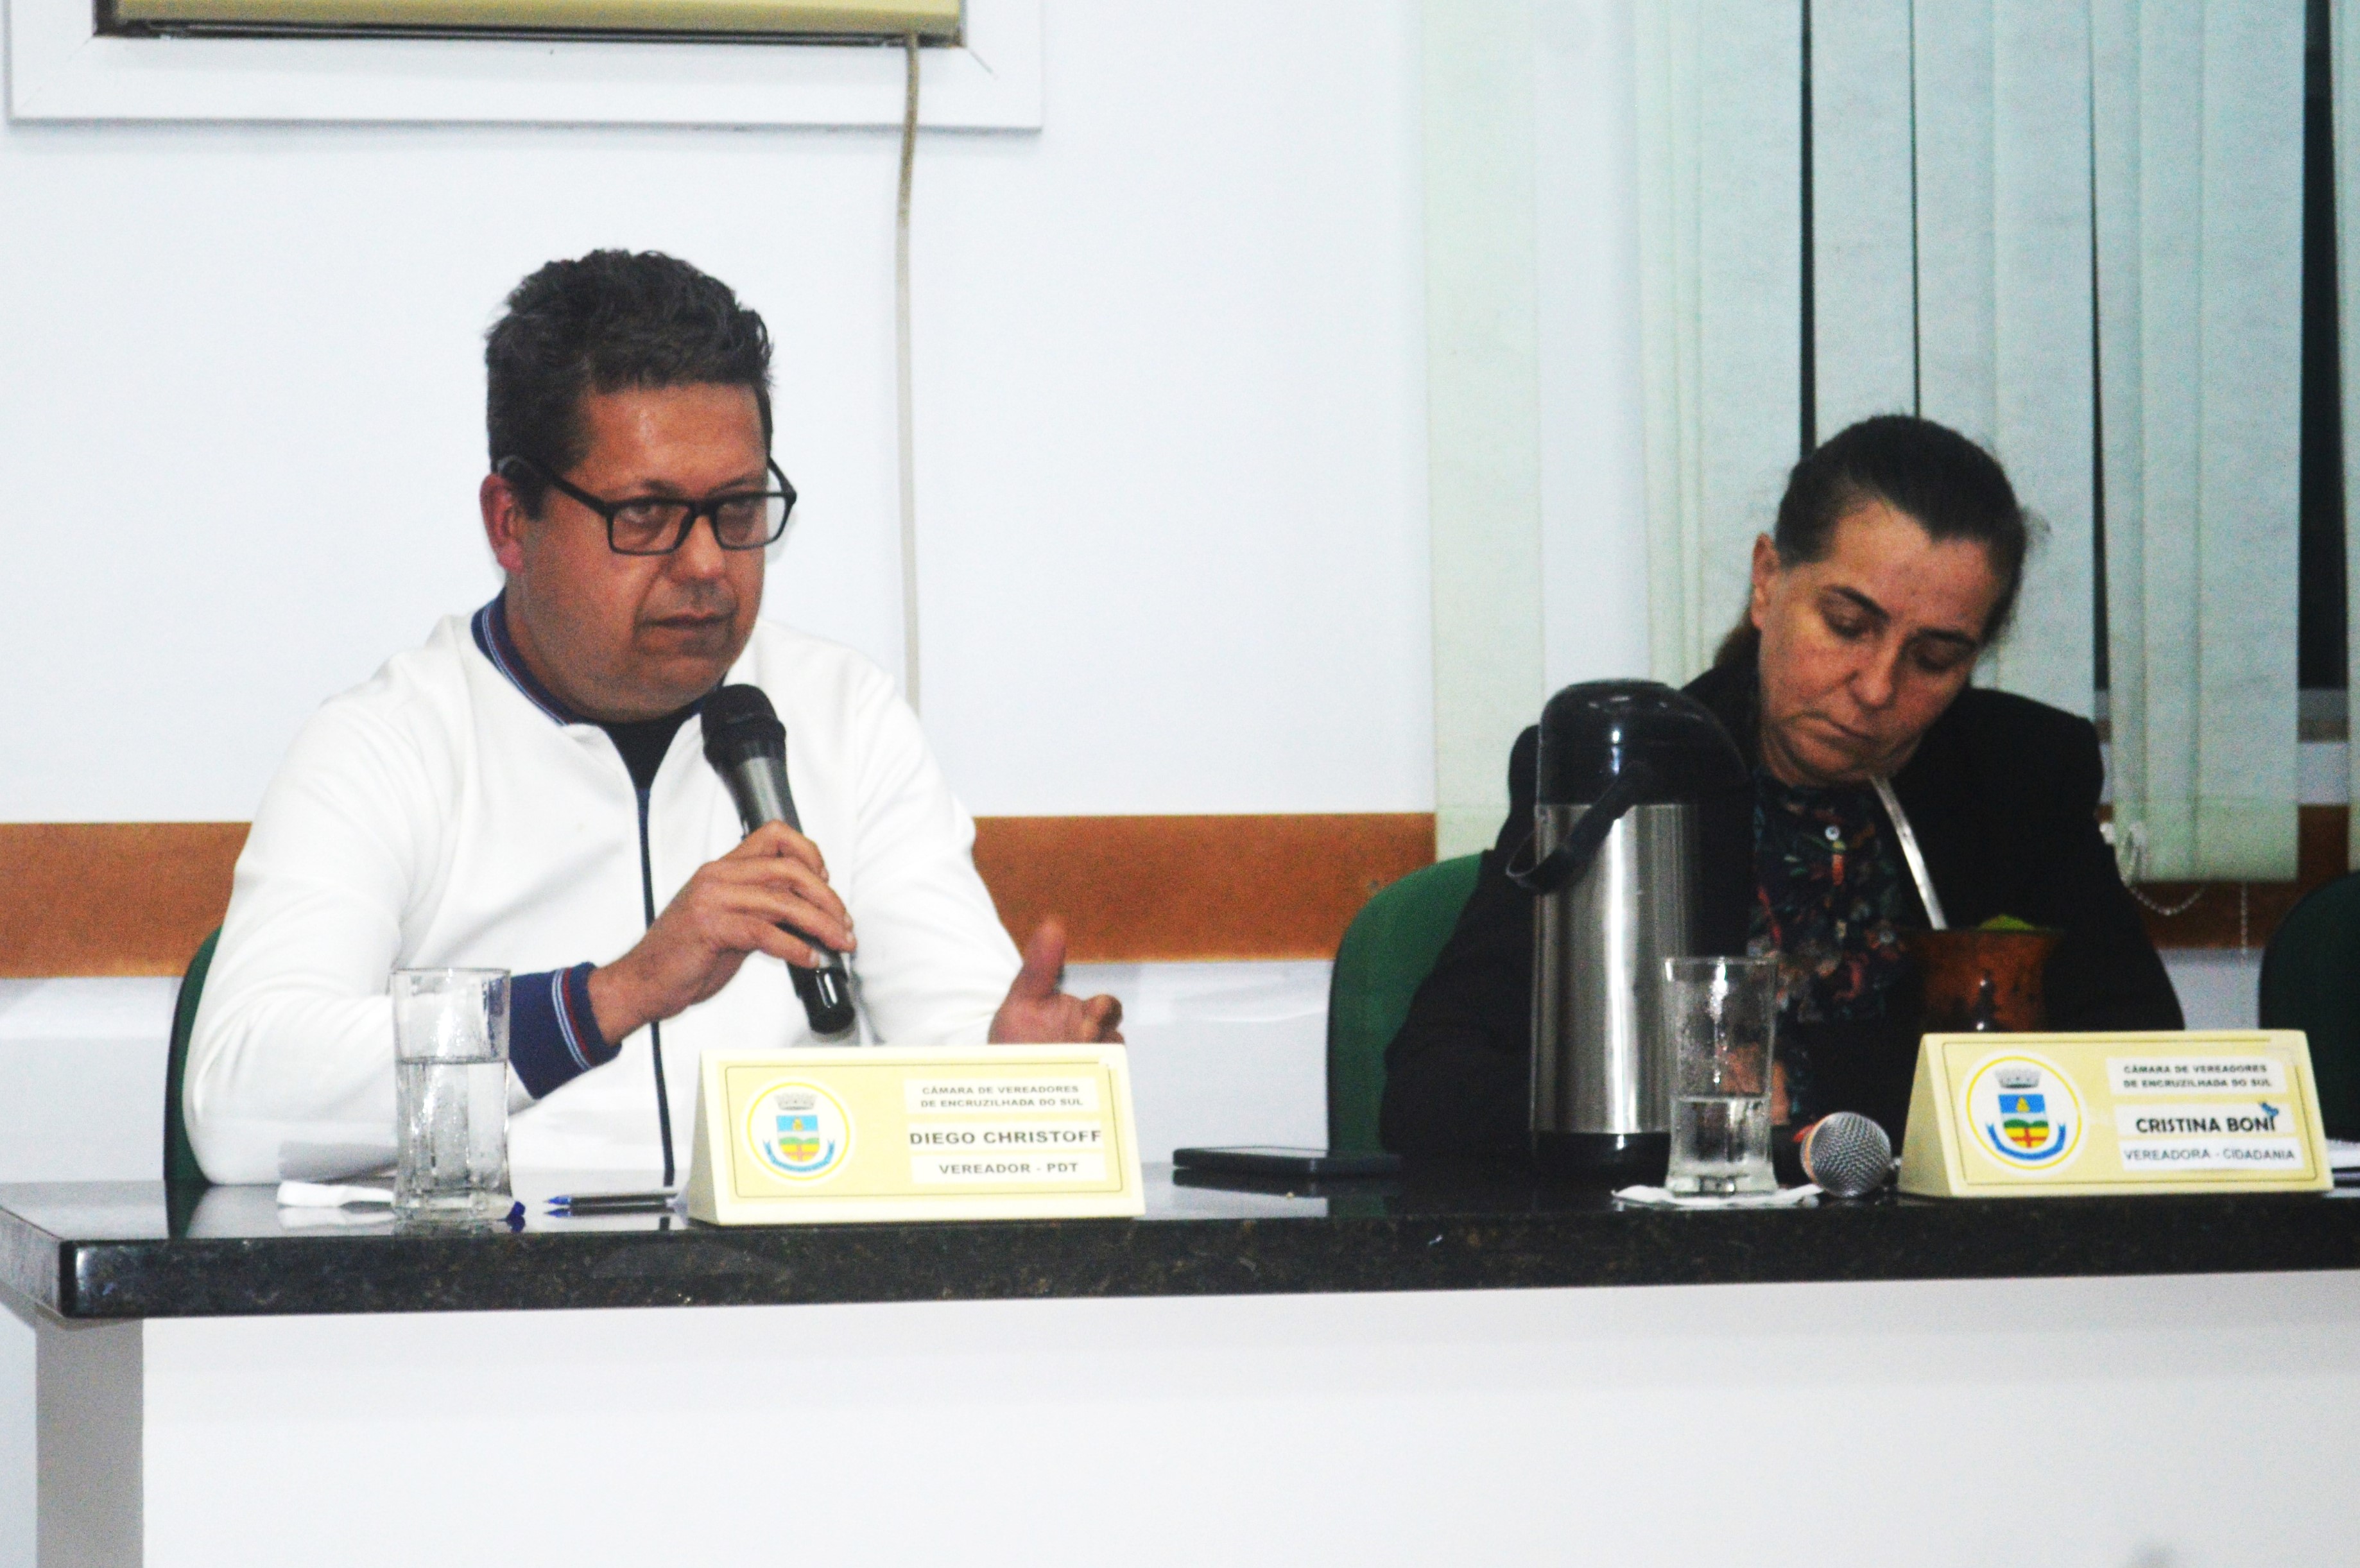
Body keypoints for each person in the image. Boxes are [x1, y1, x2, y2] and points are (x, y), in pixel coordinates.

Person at [186, 250, 1120, 1186]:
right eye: (645, 514)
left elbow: (958, 1038)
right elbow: (237, 1103)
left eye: (737, 508)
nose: (708, 563)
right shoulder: (388, 745)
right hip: (498, 1276)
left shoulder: (845, 715)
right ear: (511, 521)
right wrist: (611, 996)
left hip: (789, 1275)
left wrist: (1014, 1077)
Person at [1380, 414, 2182, 1156]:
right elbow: (1432, 1086)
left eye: (1933, 658)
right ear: (1767, 581)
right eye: (1846, 625)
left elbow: (2138, 1069)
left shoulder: (2021, 774)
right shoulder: (1627, 778)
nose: (1876, 687)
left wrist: (1794, 1082)